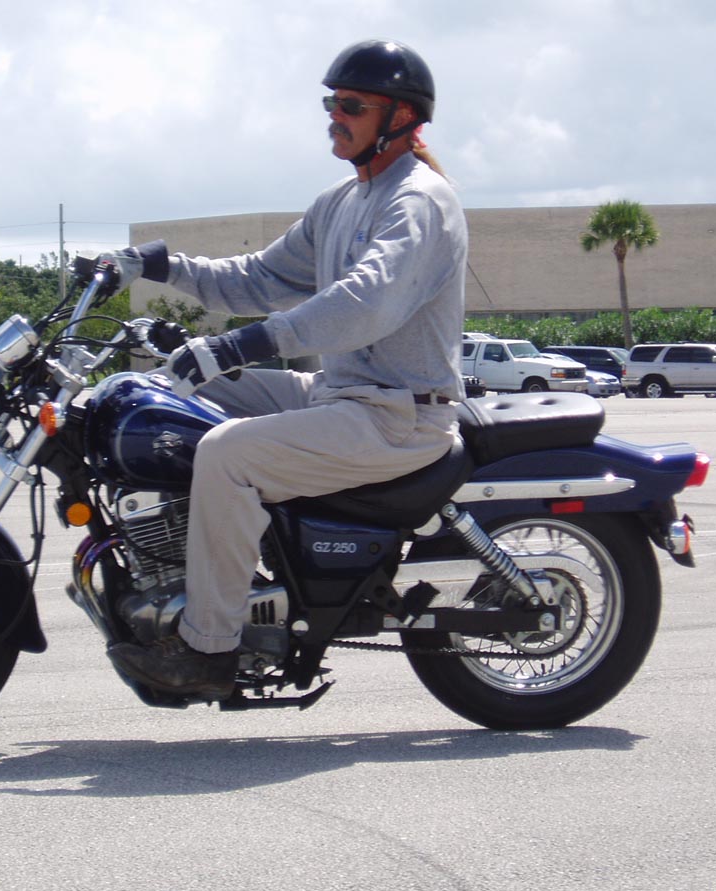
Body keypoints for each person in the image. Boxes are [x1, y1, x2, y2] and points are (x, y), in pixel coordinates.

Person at [104, 39, 469, 699]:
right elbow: (259, 278)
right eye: (332, 104)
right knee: (178, 395)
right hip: (341, 394)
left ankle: (208, 649)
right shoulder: (343, 201)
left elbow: (365, 304)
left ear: (400, 117)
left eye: (351, 105)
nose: (335, 116)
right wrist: (159, 266)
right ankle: (192, 571)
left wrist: (246, 344)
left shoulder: (419, 201)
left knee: (227, 454)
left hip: (399, 415)